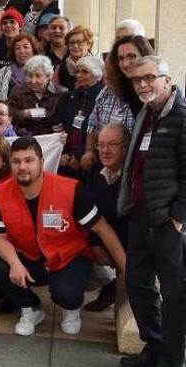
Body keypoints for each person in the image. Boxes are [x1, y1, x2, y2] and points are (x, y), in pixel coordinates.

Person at [0, 136, 125, 336]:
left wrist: (125, 269)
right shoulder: (1, 192)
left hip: (68, 256)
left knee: (66, 293)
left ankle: (71, 310)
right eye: (17, 161)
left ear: (42, 162)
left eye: (29, 160)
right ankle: (31, 309)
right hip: (29, 256)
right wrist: (14, 263)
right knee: (2, 268)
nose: (22, 167)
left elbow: (103, 229)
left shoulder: (70, 189)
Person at [118, 56, 186, 367]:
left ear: (166, 80)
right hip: (140, 213)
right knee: (136, 282)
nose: (143, 84)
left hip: (167, 220)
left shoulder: (181, 116)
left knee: (174, 292)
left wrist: (178, 217)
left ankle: (171, 359)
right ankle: (154, 346)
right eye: (136, 80)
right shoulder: (147, 113)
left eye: (149, 78)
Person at [82, 33, 154, 171]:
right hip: (110, 168)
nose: (125, 63)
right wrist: (89, 150)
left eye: (132, 56)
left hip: (139, 169)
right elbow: (93, 123)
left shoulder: (151, 94)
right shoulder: (108, 91)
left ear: (145, 56)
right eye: (121, 58)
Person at [80, 122, 129, 313]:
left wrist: (125, 264)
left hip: (132, 244)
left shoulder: (135, 177)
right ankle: (109, 285)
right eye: (100, 145)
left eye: (112, 144)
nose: (105, 151)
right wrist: (94, 243)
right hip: (104, 240)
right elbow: (89, 212)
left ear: (126, 145)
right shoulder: (96, 171)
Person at [57, 56, 104, 177]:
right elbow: (64, 126)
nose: (78, 75)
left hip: (90, 158)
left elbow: (99, 131)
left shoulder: (103, 98)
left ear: (96, 74)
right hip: (66, 156)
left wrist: (78, 156)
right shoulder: (70, 97)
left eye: (84, 72)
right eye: (77, 71)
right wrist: (65, 153)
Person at [8, 55, 63, 136]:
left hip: (50, 137)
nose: (33, 81)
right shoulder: (17, 90)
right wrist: (23, 113)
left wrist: (62, 125)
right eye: (29, 76)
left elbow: (65, 117)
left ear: (48, 77)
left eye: (38, 76)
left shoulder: (60, 93)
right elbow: (8, 113)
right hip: (23, 136)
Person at [0, 34, 40, 105]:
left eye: (26, 47)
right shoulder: (4, 71)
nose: (21, 51)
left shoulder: (43, 72)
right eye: (17, 48)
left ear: (34, 50)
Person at [54, 26, 94, 92]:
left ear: (89, 44)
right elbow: (54, 91)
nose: (75, 46)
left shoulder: (98, 66)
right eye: (72, 43)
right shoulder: (61, 68)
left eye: (80, 42)